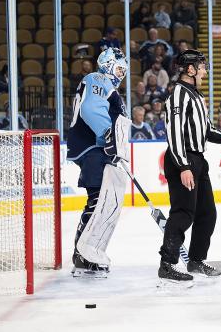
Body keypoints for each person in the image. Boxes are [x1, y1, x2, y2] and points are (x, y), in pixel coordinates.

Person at [158, 49, 221, 286]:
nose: (204, 69)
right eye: (200, 66)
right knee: (183, 214)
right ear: (190, 69)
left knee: (207, 213)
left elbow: (207, 131)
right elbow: (175, 133)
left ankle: (196, 260)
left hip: (198, 161)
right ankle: (167, 265)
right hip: (184, 161)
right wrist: (183, 166)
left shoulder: (196, 96)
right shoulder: (177, 95)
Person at [67, 48, 129, 278]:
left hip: (99, 147)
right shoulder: (98, 78)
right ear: (108, 64)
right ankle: (82, 254)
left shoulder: (108, 86)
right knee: (97, 199)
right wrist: (108, 135)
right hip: (93, 146)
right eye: (119, 68)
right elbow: (91, 108)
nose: (121, 74)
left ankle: (87, 252)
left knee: (100, 200)